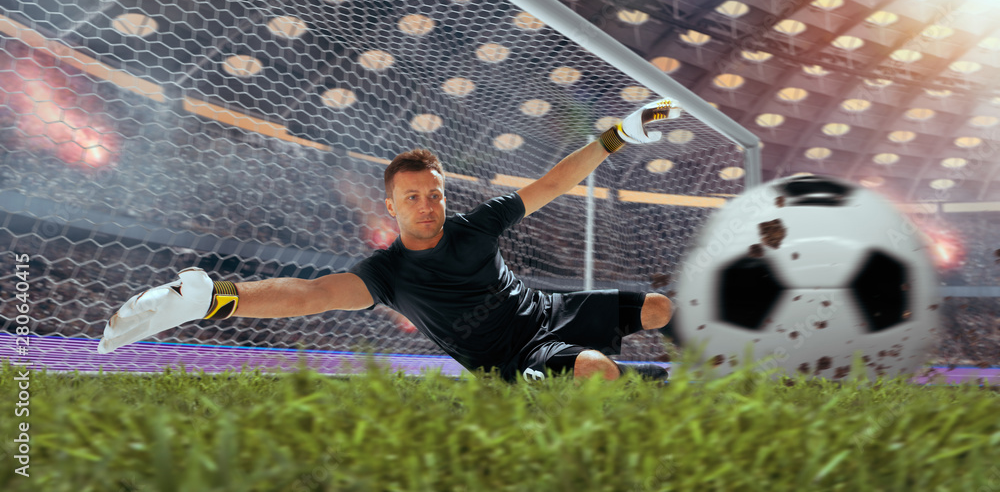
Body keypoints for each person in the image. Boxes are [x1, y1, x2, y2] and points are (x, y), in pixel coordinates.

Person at [99, 98, 681, 381]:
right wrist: (216, 298)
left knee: (658, 307)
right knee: (598, 373)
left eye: (433, 195)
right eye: (412, 198)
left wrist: (618, 135)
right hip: (510, 354)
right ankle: (584, 400)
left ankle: (724, 364)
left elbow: (553, 182)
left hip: (547, 310)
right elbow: (308, 296)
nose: (426, 206)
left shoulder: (477, 226)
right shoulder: (387, 274)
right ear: (392, 206)